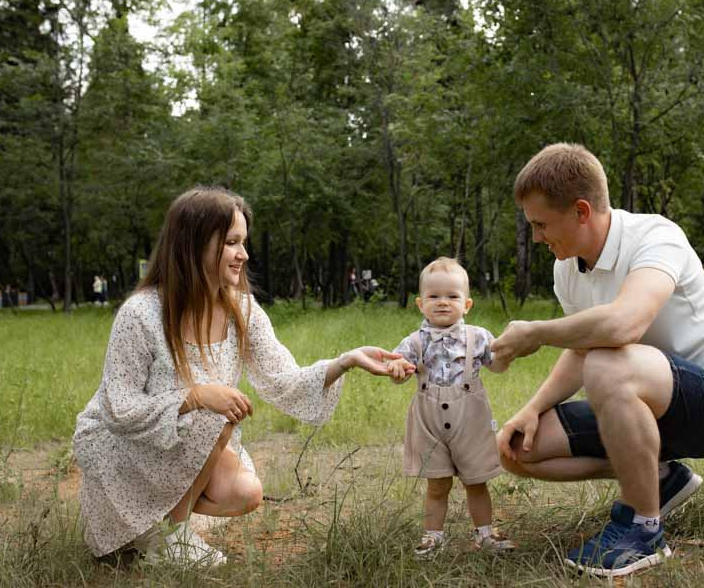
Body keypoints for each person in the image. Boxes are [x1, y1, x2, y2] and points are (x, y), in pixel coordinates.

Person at [73, 187, 403, 566]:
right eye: (232, 242)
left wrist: (347, 360)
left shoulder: (242, 310)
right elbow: (118, 409)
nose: (243, 254)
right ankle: (169, 535)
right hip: (123, 444)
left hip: (190, 439)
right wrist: (194, 396)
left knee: (245, 492)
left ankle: (156, 527)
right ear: (193, 245)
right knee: (214, 411)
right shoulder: (141, 313)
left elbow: (284, 380)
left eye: (243, 242)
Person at [490, 144, 704, 578]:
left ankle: (643, 530)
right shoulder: (566, 268)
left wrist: (535, 332)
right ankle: (661, 478)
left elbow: (623, 325)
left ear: (581, 211)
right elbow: (582, 347)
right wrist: (532, 409)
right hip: (643, 408)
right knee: (517, 448)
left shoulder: (656, 236)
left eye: (541, 224)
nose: (536, 237)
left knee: (607, 365)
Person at [386, 257, 515, 558]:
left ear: (466, 304)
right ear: (421, 304)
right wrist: (396, 370)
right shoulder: (413, 342)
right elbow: (397, 371)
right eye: (434, 296)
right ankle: (433, 537)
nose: (443, 302)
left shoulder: (478, 337)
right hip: (429, 420)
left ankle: (485, 534)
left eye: (452, 296)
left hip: (470, 418)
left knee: (476, 481)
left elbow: (497, 366)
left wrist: (508, 353)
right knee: (437, 484)